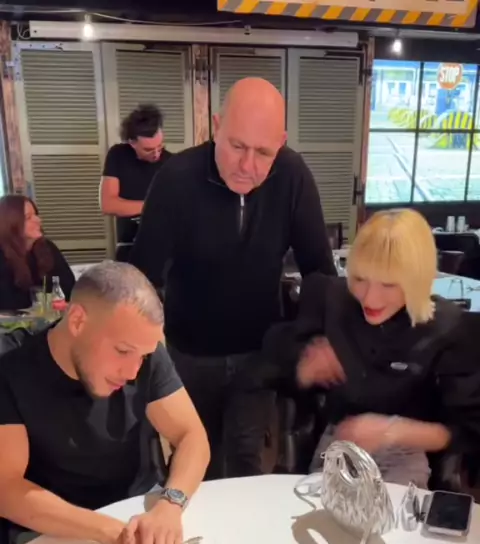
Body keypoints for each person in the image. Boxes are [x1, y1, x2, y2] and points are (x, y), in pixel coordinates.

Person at [131, 77, 336, 480]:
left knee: (246, 460)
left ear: (281, 143)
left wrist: (320, 338)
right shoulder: (177, 178)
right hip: (189, 353)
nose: (247, 166)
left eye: (264, 152)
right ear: (216, 126)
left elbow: (320, 272)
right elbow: (142, 277)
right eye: (237, 146)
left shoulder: (292, 175)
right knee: (195, 461)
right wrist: (143, 350)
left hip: (258, 353)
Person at [0, 261, 210, 544]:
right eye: (122, 351)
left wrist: (171, 504)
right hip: (53, 531)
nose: (133, 372)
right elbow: (6, 487)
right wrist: (109, 532)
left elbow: (191, 434)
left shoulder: (144, 356)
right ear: (77, 320)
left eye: (143, 356)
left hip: (141, 512)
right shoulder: (12, 368)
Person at [265, 209, 480, 488]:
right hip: (338, 443)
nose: (370, 298)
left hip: (409, 451)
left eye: (389, 285)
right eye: (360, 279)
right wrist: (302, 364)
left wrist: (392, 430)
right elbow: (272, 362)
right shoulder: (332, 301)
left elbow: (467, 431)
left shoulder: (449, 328)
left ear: (417, 279)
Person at [100, 104, 172, 261]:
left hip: (164, 247)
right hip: (128, 246)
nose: (156, 154)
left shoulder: (171, 162)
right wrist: (153, 206)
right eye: (148, 149)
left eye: (160, 146)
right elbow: (108, 204)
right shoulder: (118, 155)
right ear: (132, 142)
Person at [0, 195, 74, 311]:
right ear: (11, 224)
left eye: (36, 215)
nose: (38, 220)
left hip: (52, 318)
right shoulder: (3, 256)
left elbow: (70, 288)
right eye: (28, 217)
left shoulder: (47, 247)